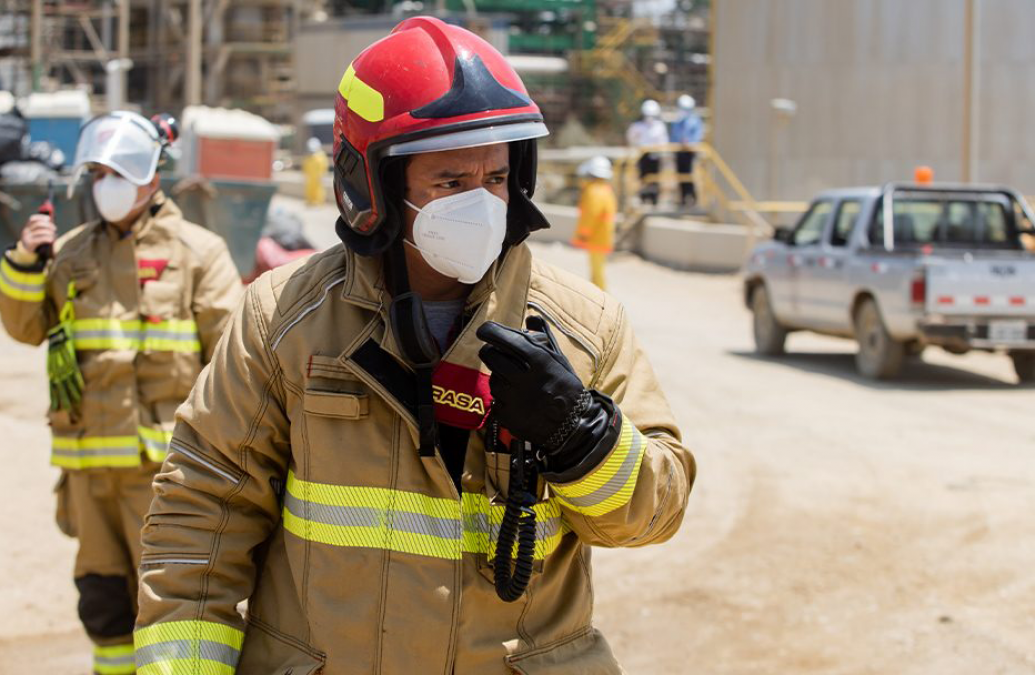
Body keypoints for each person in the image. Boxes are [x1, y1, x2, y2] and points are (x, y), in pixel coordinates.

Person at [135, 17, 695, 674]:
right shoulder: (282, 317)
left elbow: (653, 513)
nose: (481, 203)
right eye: (450, 182)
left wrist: (582, 435)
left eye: (494, 177)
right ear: (370, 186)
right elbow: (204, 508)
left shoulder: (584, 324)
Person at [0, 110, 242, 675]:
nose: (106, 184)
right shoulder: (70, 252)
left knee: (170, 607)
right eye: (99, 172)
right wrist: (22, 266)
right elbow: (26, 328)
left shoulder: (198, 253)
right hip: (88, 476)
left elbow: (233, 368)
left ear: (150, 176)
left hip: (166, 475)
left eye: (118, 172)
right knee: (104, 603)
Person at [571, 155, 617, 290]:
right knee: (598, 268)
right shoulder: (605, 189)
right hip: (603, 235)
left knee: (597, 271)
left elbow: (590, 215)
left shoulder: (593, 191)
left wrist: (584, 233)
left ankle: (602, 298)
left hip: (596, 237)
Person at [625, 98, 668, 206]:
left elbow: (663, 141)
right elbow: (631, 137)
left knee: (655, 178)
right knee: (643, 177)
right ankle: (644, 197)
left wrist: (663, 154)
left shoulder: (659, 126)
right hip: (642, 155)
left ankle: (654, 198)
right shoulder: (637, 126)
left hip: (656, 156)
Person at [671, 94, 704, 206]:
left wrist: (689, 143)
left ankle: (692, 196)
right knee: (680, 175)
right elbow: (674, 136)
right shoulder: (677, 121)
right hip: (679, 151)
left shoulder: (695, 121)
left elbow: (697, 136)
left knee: (689, 175)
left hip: (690, 152)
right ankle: (682, 197)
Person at [302, 136, 329, 205]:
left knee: (319, 189)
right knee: (309, 188)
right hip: (310, 176)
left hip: (318, 176)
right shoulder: (309, 156)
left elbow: (324, 165)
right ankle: (310, 200)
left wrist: (323, 174)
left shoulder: (321, 156)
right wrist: (305, 173)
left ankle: (318, 201)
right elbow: (305, 165)